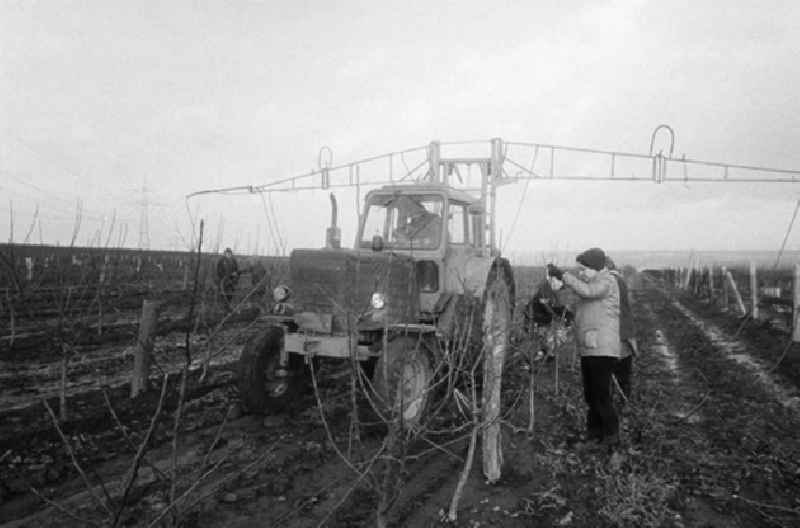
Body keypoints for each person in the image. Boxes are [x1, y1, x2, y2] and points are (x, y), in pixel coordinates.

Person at [547, 247, 621, 447]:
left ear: (596, 267)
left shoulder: (607, 281)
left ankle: (612, 440)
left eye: (584, 269)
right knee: (591, 394)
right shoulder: (592, 284)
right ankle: (594, 434)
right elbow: (580, 302)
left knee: (601, 394)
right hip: (590, 347)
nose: (581, 273)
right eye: (580, 270)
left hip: (602, 349)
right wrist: (558, 289)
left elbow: (588, 291)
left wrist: (565, 275)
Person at [606, 256, 637, 402]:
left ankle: (621, 402)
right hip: (623, 331)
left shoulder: (611, 281)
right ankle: (624, 400)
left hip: (617, 332)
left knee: (616, 369)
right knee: (623, 369)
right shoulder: (618, 279)